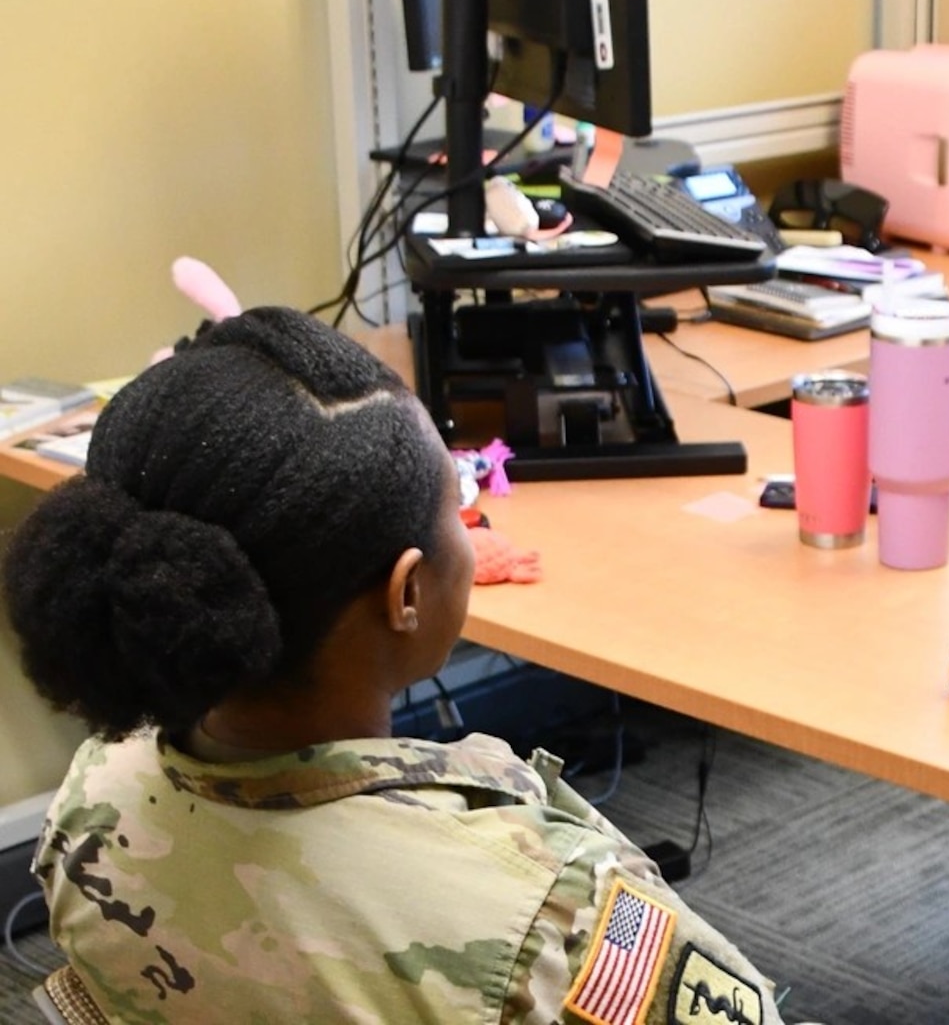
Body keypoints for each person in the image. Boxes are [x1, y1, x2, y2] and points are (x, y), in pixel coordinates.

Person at [5, 307, 793, 1024]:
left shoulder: (94, 795)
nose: (471, 520)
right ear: (406, 591)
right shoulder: (543, 913)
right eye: (458, 502)